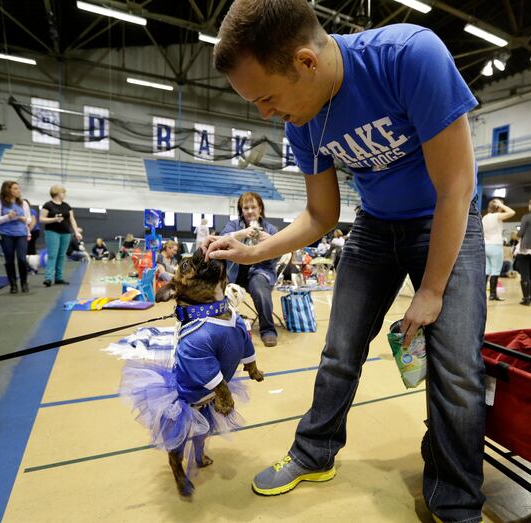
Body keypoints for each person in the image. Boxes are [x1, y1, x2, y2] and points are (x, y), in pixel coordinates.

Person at [208, 3, 486, 520]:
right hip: (376, 226)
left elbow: (455, 187)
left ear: (306, 62)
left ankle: (457, 501)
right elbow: (319, 216)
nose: (265, 114)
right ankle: (315, 452)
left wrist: (429, 293)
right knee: (339, 352)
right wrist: (254, 251)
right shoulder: (302, 120)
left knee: (458, 370)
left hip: (447, 218)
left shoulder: (408, 56)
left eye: (266, 97)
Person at [221, 192, 280, 347]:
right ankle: (219, 326)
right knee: (217, 287)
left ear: (260, 208)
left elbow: (277, 258)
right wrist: (240, 234)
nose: (249, 211)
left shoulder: (271, 229)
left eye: (253, 207)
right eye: (245, 208)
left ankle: (268, 330)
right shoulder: (233, 225)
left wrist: (272, 244)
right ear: (241, 210)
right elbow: (221, 240)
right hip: (234, 273)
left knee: (260, 289)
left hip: (259, 272)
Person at [0, 181, 31, 293]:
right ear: (8, 190)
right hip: (5, 234)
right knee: (9, 260)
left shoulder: (23, 204)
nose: (18, 191)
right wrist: (7, 217)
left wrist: (24, 219)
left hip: (21, 234)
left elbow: (29, 219)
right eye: (15, 188)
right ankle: (13, 285)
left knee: (22, 259)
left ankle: (24, 283)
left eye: (18, 188)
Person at [39, 184, 81, 287]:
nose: (64, 194)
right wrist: (54, 219)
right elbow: (41, 219)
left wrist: (76, 232)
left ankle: (59, 277)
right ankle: (48, 278)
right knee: (53, 255)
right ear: (57, 193)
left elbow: (72, 219)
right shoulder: (48, 205)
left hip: (66, 233)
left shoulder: (67, 206)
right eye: (63, 192)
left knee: (62, 255)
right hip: (52, 232)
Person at [482, 199, 515, 301]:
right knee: (495, 271)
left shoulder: (485, 217)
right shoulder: (496, 216)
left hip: (486, 246)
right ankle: (493, 295)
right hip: (495, 246)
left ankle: (481, 294)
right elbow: (512, 212)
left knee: (487, 270)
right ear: (498, 206)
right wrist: (501, 205)